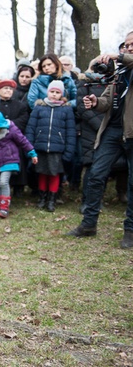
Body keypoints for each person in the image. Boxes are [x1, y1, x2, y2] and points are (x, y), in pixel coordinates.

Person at [67, 33, 133, 246]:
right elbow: (108, 99)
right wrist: (95, 102)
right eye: (126, 45)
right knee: (95, 175)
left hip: (132, 133)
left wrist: (117, 56)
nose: (128, 48)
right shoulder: (121, 72)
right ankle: (88, 224)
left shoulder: (125, 64)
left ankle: (130, 231)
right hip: (113, 130)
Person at [25, 80, 76, 212]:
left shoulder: (66, 109)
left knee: (54, 174)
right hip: (40, 147)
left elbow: (70, 131)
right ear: (47, 92)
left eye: (57, 92)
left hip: (57, 148)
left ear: (62, 94)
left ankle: (52, 199)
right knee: (42, 173)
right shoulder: (39, 108)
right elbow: (31, 128)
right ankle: (42, 198)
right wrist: (30, 147)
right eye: (52, 91)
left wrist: (69, 150)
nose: (54, 94)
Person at [0, 79, 31, 196]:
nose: (8, 91)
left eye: (10, 89)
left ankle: (18, 188)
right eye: (5, 88)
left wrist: (9, 125)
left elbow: (23, 120)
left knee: (17, 160)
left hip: (14, 139)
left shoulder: (20, 105)